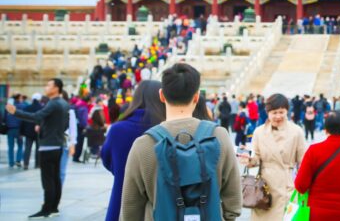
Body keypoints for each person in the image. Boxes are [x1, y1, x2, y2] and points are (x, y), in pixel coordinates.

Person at [120, 64, 241, 220]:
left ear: (162, 95)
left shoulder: (143, 143)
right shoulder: (219, 136)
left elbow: (130, 206)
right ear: (197, 97)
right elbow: (234, 199)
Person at [101, 80, 166, 221]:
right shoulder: (166, 129)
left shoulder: (118, 129)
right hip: (161, 204)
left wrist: (121, 170)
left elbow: (107, 160)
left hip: (122, 199)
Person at [5, 78, 70, 219]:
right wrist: (48, 128)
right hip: (58, 144)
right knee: (55, 179)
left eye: (49, 85)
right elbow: (63, 124)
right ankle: (54, 207)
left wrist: (15, 112)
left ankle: (46, 209)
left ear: (56, 88)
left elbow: (36, 117)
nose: (46, 87)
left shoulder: (53, 103)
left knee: (48, 180)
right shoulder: (64, 103)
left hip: (48, 146)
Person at [239, 93, 306, 221]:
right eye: (274, 112)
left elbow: (303, 161)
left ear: (287, 111)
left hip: (288, 185)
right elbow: (256, 157)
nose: (278, 116)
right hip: (264, 189)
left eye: (281, 112)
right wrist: (248, 159)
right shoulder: (259, 132)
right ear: (268, 113)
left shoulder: (296, 132)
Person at [22, 93, 43, 169]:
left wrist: (22, 132)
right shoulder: (42, 108)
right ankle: (38, 164)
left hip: (28, 131)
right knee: (38, 148)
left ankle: (25, 164)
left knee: (27, 148)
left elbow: (23, 120)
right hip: (38, 131)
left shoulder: (27, 107)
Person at [5, 94, 25, 168]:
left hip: (10, 129)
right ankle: (18, 160)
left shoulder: (8, 107)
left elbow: (5, 118)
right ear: (19, 98)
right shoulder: (23, 106)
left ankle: (11, 163)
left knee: (10, 147)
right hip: (19, 129)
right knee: (20, 145)